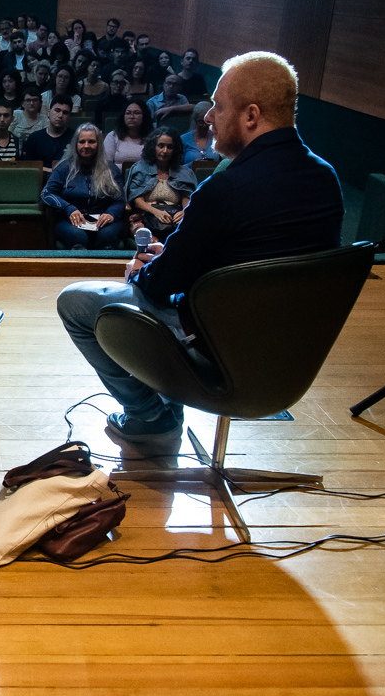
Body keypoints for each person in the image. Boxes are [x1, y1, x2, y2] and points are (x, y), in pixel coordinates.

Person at [55, 51, 344, 450]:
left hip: (220, 353)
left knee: (75, 302)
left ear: (251, 116)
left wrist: (142, 269)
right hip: (290, 359)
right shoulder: (327, 179)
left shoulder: (224, 189)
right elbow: (261, 259)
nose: (207, 117)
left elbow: (159, 288)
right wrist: (191, 257)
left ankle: (151, 416)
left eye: (219, 107)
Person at [42, 123, 126, 250]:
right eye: (82, 142)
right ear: (76, 144)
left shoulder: (111, 169)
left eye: (91, 141)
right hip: (70, 220)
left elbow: (120, 200)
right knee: (78, 237)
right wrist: (68, 208)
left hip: (103, 220)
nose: (86, 146)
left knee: (107, 236)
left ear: (98, 144)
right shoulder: (64, 167)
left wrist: (111, 213)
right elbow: (47, 193)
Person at [126, 127, 198, 241]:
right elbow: (137, 200)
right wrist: (157, 212)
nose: (165, 151)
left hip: (174, 216)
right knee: (143, 232)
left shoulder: (184, 172)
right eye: (161, 146)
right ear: (153, 147)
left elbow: (187, 197)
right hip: (147, 216)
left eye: (169, 147)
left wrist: (185, 211)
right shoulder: (140, 168)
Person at [22, 94, 75, 172]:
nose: (60, 115)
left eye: (65, 113)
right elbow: (28, 166)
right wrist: (51, 171)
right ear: (49, 112)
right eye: (57, 110)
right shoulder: (34, 138)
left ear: (69, 116)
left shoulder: (75, 138)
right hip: (39, 180)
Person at [104, 100, 151, 173]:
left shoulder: (152, 137)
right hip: (117, 178)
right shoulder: (113, 136)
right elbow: (106, 164)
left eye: (136, 113)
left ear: (144, 116)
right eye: (128, 113)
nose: (131, 117)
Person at [182, 101, 221, 166]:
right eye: (200, 122)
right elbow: (177, 169)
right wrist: (194, 164)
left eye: (207, 122)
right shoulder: (183, 139)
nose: (204, 125)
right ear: (195, 120)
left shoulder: (217, 138)